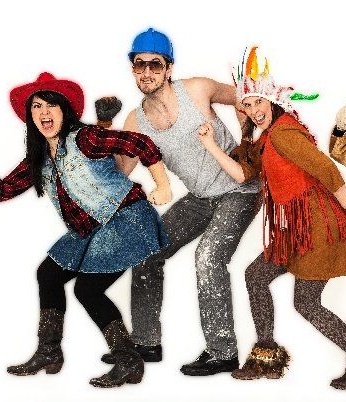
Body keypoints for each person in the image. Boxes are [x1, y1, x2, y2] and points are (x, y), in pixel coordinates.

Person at [0, 72, 172, 388]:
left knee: (87, 290)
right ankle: (49, 352)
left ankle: (128, 361)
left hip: (127, 219)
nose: (44, 112)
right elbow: (1, 190)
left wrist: (162, 186)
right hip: (91, 230)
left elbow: (139, 143)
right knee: (49, 274)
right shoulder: (39, 158)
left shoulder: (85, 138)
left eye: (51, 105)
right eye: (37, 106)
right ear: (30, 116)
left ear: (64, 110)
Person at [197, 46, 346, 390]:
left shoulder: (284, 133)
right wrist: (214, 144)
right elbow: (242, 174)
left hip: (318, 227)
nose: (254, 110)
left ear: (272, 100)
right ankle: (266, 356)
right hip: (294, 230)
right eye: (247, 105)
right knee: (256, 276)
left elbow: (323, 166)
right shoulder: (266, 138)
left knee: (306, 303)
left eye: (258, 102)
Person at [98, 27, 260, 376]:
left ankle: (223, 352)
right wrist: (105, 129)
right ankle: (146, 343)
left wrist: (247, 140)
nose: (147, 72)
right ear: (133, 69)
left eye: (155, 64)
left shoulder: (197, 89)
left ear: (168, 68)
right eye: (139, 64)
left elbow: (245, 98)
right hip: (200, 198)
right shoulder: (136, 121)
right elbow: (121, 170)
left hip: (239, 191)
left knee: (208, 257)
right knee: (147, 250)